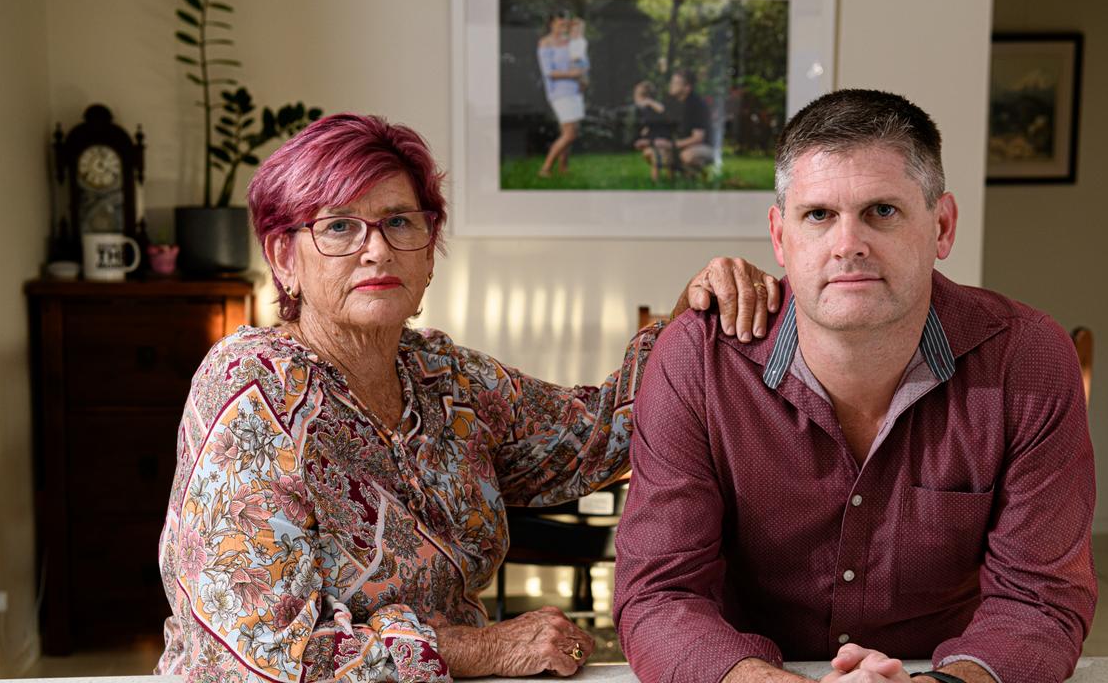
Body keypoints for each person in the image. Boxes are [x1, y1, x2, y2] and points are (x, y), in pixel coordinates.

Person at [156, 113, 781, 683]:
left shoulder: (442, 377)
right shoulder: (252, 387)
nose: (376, 248)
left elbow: (599, 434)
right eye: (340, 226)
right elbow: (258, 654)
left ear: (429, 250)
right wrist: (481, 649)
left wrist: (692, 312)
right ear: (283, 257)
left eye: (400, 222)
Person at [613, 89, 1096, 683]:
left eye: (882, 212)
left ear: (942, 227)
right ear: (779, 235)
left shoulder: (1028, 360)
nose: (849, 245)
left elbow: (1039, 601)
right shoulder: (699, 362)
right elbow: (659, 594)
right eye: (818, 215)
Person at [537, 10, 587, 178]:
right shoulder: (545, 43)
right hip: (559, 92)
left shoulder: (570, 42)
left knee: (571, 132)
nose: (564, 28)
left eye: (566, 24)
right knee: (569, 133)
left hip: (575, 90)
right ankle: (546, 168)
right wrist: (572, 74)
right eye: (560, 24)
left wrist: (583, 76)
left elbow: (582, 62)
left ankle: (563, 168)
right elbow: (548, 72)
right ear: (552, 24)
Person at [662, 69, 714, 176]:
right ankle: (670, 184)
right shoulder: (674, 104)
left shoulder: (696, 105)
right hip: (684, 145)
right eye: (672, 82)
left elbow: (698, 138)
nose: (671, 86)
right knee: (656, 153)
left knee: (687, 156)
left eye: (675, 83)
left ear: (687, 88)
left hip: (706, 147)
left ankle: (701, 177)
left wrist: (671, 145)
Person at [632, 81, 674, 182]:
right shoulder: (647, 110)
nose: (634, 99)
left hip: (662, 141)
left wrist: (648, 140)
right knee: (651, 155)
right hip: (657, 140)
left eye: (636, 95)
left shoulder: (652, 108)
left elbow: (663, 114)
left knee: (656, 156)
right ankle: (667, 179)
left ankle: (657, 182)